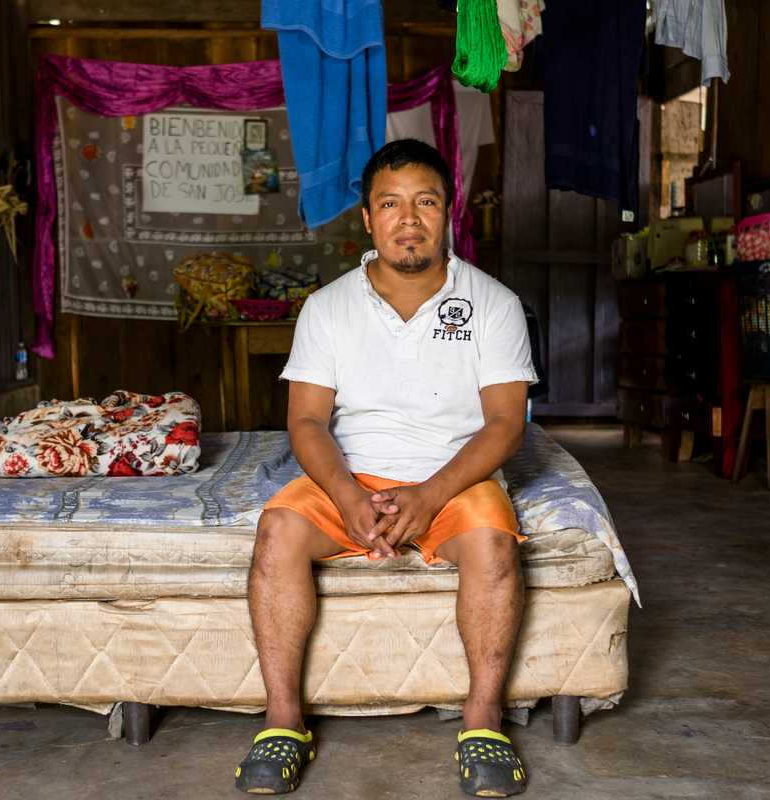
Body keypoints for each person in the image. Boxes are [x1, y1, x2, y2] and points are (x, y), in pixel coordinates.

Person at [234, 139, 537, 797]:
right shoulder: (327, 307)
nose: (409, 219)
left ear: (448, 211)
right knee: (276, 532)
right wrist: (347, 496)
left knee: (493, 544)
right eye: (391, 204)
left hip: (455, 478)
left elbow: (505, 424)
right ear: (368, 218)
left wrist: (429, 495)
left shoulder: (494, 304)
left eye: (425, 202)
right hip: (352, 477)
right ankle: (283, 719)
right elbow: (307, 422)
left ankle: (483, 719)